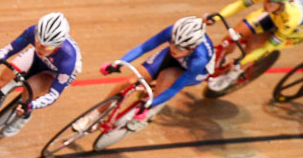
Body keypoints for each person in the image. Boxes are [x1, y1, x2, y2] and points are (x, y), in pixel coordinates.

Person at [72, 16, 214, 133]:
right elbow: (144, 47)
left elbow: (175, 88)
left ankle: (150, 113)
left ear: (192, 47)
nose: (174, 48)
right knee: (131, 81)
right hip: (175, 59)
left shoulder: (199, 59)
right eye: (172, 43)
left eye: (180, 47)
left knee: (166, 77)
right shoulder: (172, 33)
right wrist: (118, 63)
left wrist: (149, 105)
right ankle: (94, 115)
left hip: (194, 73)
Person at [0, 12, 82, 136]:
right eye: (37, 42)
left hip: (54, 72)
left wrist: (30, 105)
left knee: (30, 91)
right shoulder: (32, 32)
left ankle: (21, 119)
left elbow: (54, 95)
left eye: (46, 47)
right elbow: (9, 49)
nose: (40, 48)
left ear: (58, 45)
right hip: (35, 58)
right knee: (0, 84)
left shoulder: (68, 59)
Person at [207, 0, 302, 90]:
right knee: (233, 35)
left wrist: (240, 60)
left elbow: (267, 48)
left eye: (272, 2)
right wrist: (216, 18)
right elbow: (241, 4)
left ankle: (234, 74)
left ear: (283, 3)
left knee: (254, 46)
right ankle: (222, 58)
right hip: (273, 17)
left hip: (293, 33)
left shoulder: (292, 18)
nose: (266, 3)